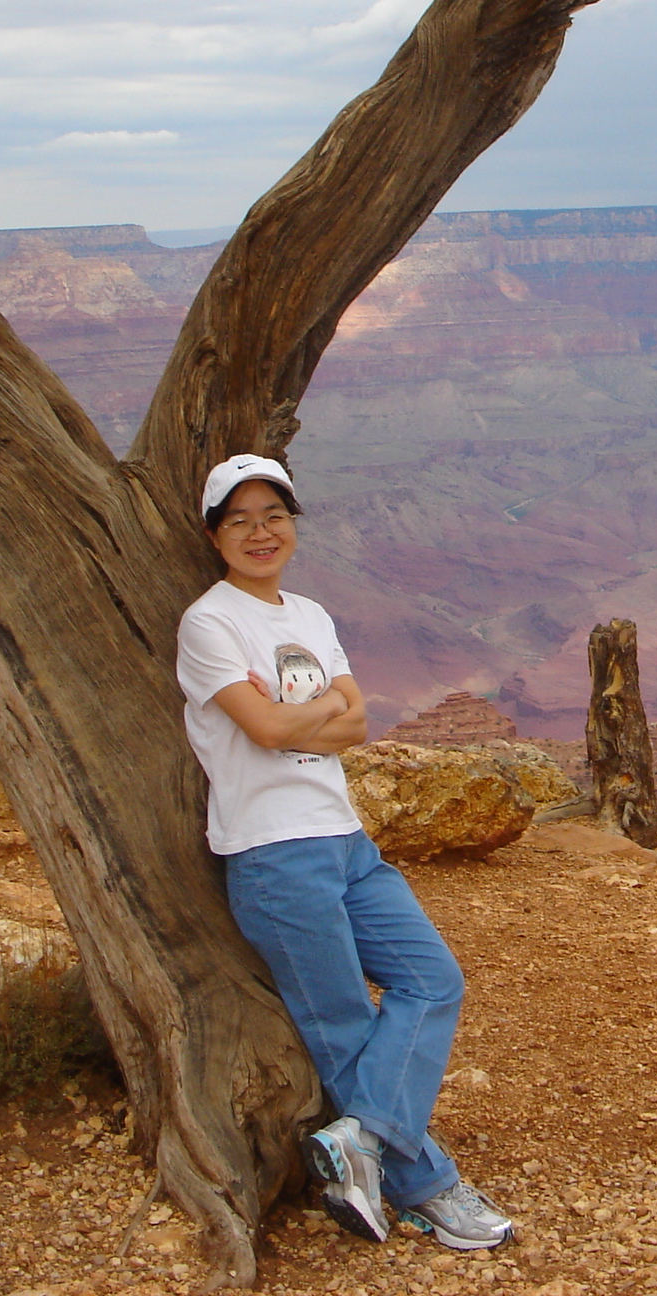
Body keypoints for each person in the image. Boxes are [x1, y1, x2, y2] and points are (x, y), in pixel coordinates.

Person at [174, 453, 514, 1251]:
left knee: (433, 979)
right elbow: (263, 730)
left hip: (346, 839)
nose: (261, 533)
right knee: (341, 1026)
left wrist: (306, 714)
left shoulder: (312, 616)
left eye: (275, 516)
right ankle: (431, 1188)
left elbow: (358, 724)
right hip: (273, 851)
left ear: (292, 524)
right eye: (240, 520)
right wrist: (317, 708)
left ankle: (359, 1139)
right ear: (215, 535)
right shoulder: (210, 622)